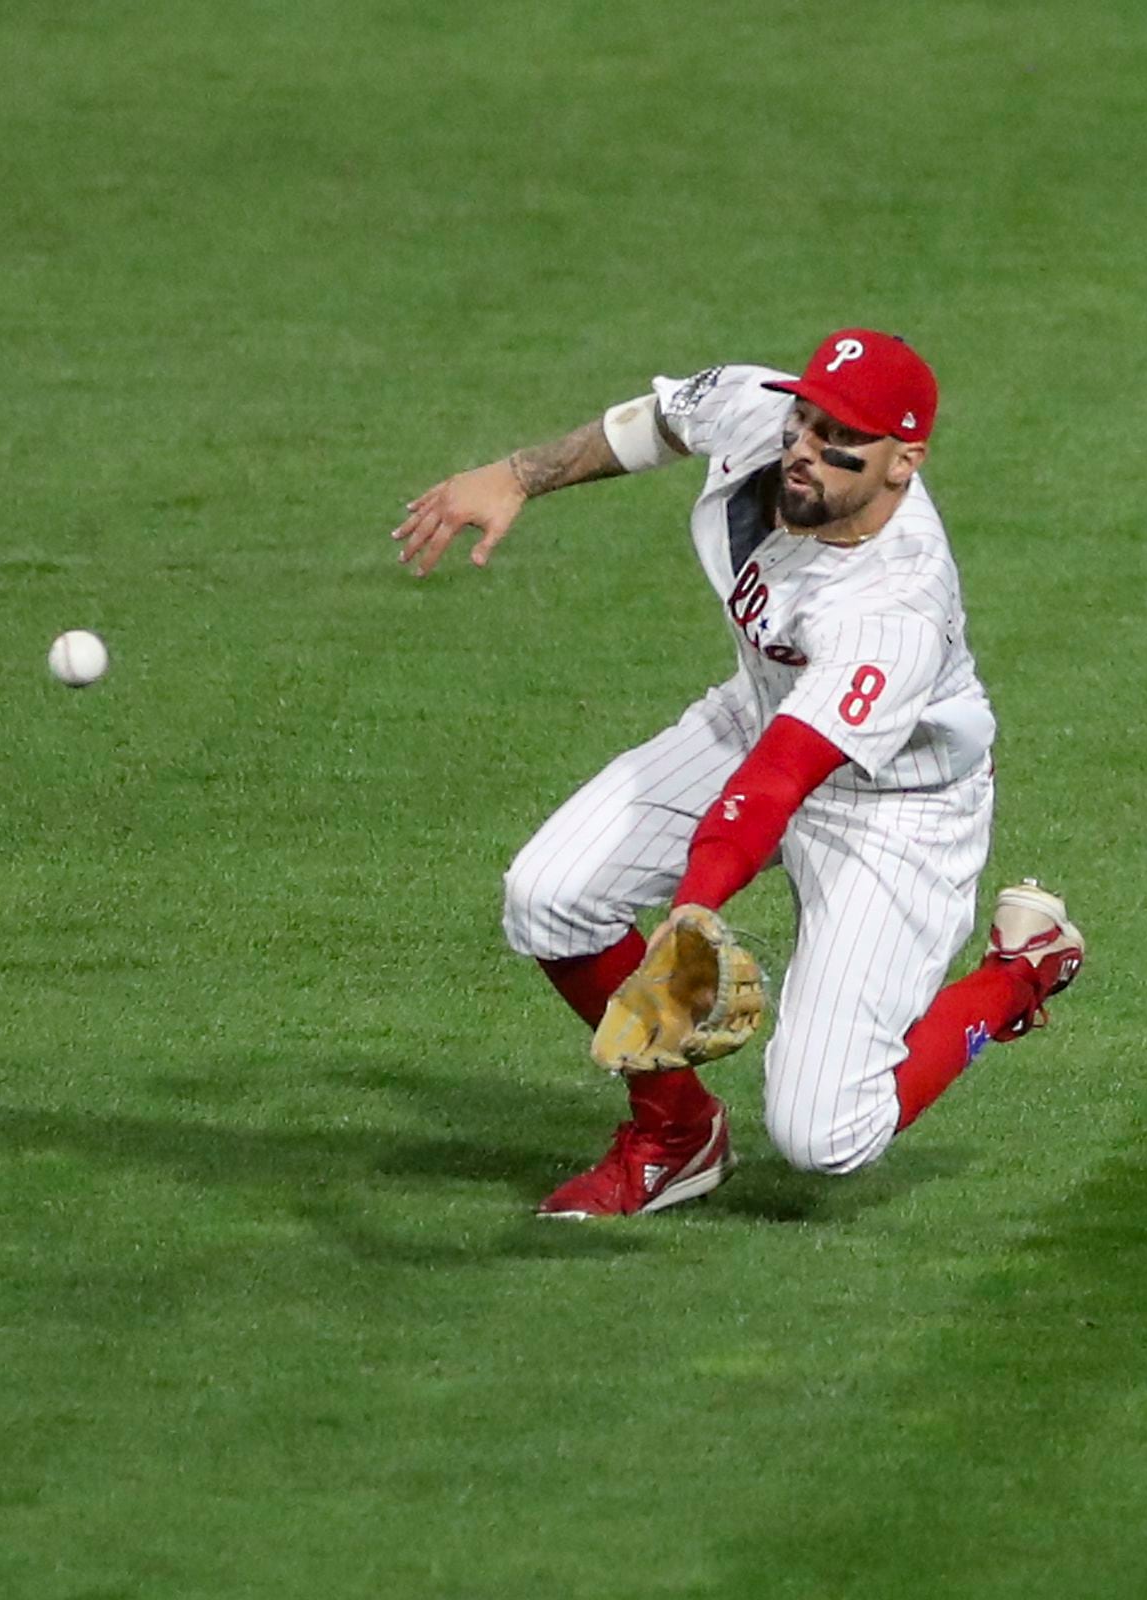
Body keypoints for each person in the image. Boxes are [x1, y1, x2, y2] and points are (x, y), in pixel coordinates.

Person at [390, 329, 1086, 1218]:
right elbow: (658, 421)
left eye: (842, 438)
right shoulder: (762, 415)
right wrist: (517, 475)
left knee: (826, 1137)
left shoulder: (894, 607)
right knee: (548, 896)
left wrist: (690, 916)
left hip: (894, 807)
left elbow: (779, 782)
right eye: (807, 419)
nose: (805, 447)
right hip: (756, 716)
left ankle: (1023, 969)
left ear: (903, 463)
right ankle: (677, 1137)